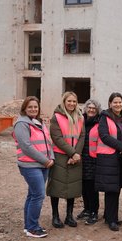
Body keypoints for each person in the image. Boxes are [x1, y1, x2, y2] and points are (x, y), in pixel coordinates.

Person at [13, 96, 54, 238]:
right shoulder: (21, 124)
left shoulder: (38, 122)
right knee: (38, 195)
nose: (33, 109)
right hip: (30, 166)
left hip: (43, 165)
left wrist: (51, 157)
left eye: (35, 107)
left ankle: (28, 226)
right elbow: (26, 146)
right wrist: (45, 160)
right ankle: (32, 228)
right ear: (24, 108)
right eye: (30, 107)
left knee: (32, 194)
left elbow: (48, 142)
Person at [95, 93, 122, 231]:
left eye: (120, 102)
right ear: (110, 103)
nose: (118, 105)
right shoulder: (104, 117)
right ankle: (111, 220)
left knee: (116, 188)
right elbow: (104, 136)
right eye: (115, 102)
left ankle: (109, 215)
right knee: (111, 189)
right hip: (109, 158)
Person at [47, 91, 85, 228]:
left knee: (72, 187)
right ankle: (55, 216)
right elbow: (57, 138)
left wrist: (76, 154)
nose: (72, 104)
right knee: (56, 187)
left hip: (75, 156)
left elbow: (82, 136)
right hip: (60, 155)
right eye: (69, 101)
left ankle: (69, 216)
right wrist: (72, 153)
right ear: (64, 101)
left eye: (74, 101)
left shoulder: (80, 117)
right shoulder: (56, 117)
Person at [77, 99, 101, 225]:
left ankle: (94, 211)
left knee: (92, 187)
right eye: (89, 107)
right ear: (85, 109)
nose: (91, 110)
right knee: (83, 186)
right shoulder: (81, 121)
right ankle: (86, 209)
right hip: (82, 158)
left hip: (93, 159)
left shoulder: (99, 122)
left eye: (94, 108)